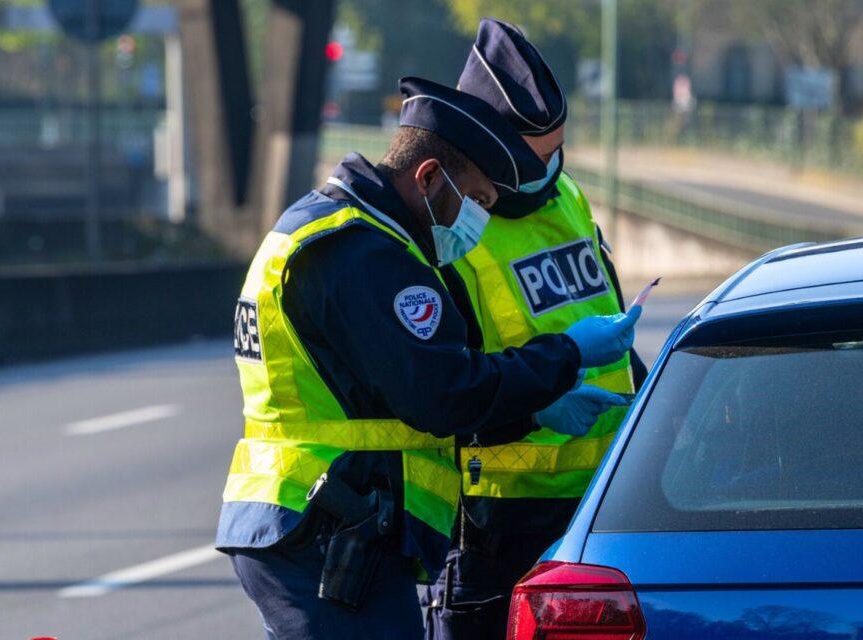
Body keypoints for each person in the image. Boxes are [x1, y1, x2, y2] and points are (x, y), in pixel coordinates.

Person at [216, 76, 640, 639]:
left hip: (312, 523)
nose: (481, 221)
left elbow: (395, 403)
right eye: (480, 202)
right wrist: (567, 352)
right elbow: (443, 394)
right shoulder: (364, 254)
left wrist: (533, 414)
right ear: (430, 177)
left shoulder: (339, 230)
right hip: (324, 527)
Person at [424, 19, 647, 639]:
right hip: (498, 519)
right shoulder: (452, 224)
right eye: (534, 158)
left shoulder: (566, 194)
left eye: (558, 153)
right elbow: (438, 392)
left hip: (603, 500)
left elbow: (602, 307)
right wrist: (537, 412)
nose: (549, 172)